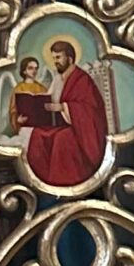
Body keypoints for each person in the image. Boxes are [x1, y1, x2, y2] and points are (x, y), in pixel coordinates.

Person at [23, 37, 108, 187]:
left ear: (70, 58)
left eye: (58, 57)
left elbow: (90, 110)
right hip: (61, 123)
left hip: (81, 129)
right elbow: (49, 99)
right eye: (54, 58)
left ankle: (61, 181)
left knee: (62, 138)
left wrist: (63, 107)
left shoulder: (82, 79)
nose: (55, 61)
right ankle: (41, 181)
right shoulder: (58, 79)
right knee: (38, 134)